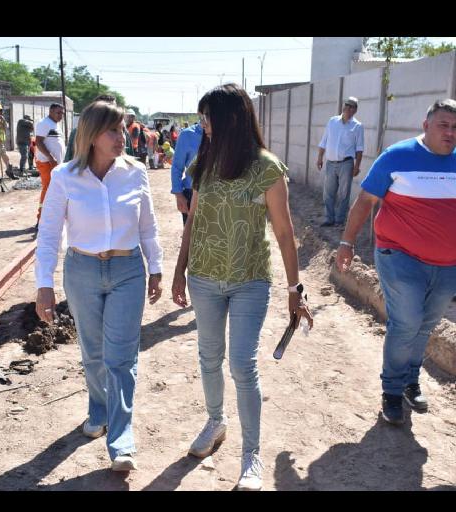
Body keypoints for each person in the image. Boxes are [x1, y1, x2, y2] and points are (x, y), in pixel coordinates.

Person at [335, 98, 456, 426]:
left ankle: (410, 381)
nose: (450, 133)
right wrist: (346, 242)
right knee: (407, 322)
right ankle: (392, 393)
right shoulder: (397, 157)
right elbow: (365, 201)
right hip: (399, 255)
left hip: (448, 263)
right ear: (426, 126)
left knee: (425, 324)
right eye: (443, 125)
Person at [171, 83, 313, 491]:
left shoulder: (268, 167)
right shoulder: (204, 163)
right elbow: (192, 223)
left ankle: (251, 456)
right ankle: (215, 423)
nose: (204, 126)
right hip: (203, 278)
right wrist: (180, 270)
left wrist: (294, 289)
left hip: (250, 279)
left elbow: (285, 234)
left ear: (231, 119)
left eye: (208, 118)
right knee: (208, 356)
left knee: (242, 365)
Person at [35, 100, 164, 472]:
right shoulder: (64, 177)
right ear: (92, 136)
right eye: (114, 131)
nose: (123, 137)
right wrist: (44, 285)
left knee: (122, 358)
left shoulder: (136, 172)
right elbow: (48, 235)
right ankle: (98, 408)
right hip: (82, 271)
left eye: (123, 129)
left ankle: (121, 441)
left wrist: (155, 268)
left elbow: (148, 227)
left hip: (127, 270)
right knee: (93, 351)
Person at [316, 96, 365, 227]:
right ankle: (329, 218)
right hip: (330, 163)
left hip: (346, 163)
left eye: (352, 107)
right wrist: (320, 157)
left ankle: (339, 220)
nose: (349, 109)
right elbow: (324, 141)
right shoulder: (332, 121)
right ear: (343, 107)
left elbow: (359, 148)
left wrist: (357, 166)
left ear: (355, 110)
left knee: (344, 194)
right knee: (328, 193)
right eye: (347, 105)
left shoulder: (358, 126)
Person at [64, 95, 133, 162]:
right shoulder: (78, 132)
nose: (112, 113)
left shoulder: (124, 133)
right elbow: (69, 159)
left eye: (114, 108)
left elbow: (130, 159)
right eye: (105, 110)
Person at [34, 103, 66, 225]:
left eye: (62, 113)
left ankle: (51, 218)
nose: (61, 116)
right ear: (51, 112)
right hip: (47, 163)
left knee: (55, 191)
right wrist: (51, 157)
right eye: (58, 113)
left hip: (55, 164)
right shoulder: (44, 123)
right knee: (48, 190)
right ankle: (41, 220)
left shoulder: (55, 125)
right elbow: (39, 142)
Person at [170, 116, 204, 225]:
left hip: (218, 196)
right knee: (191, 238)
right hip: (191, 193)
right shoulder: (187, 135)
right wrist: (178, 194)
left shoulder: (225, 135)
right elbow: (177, 167)